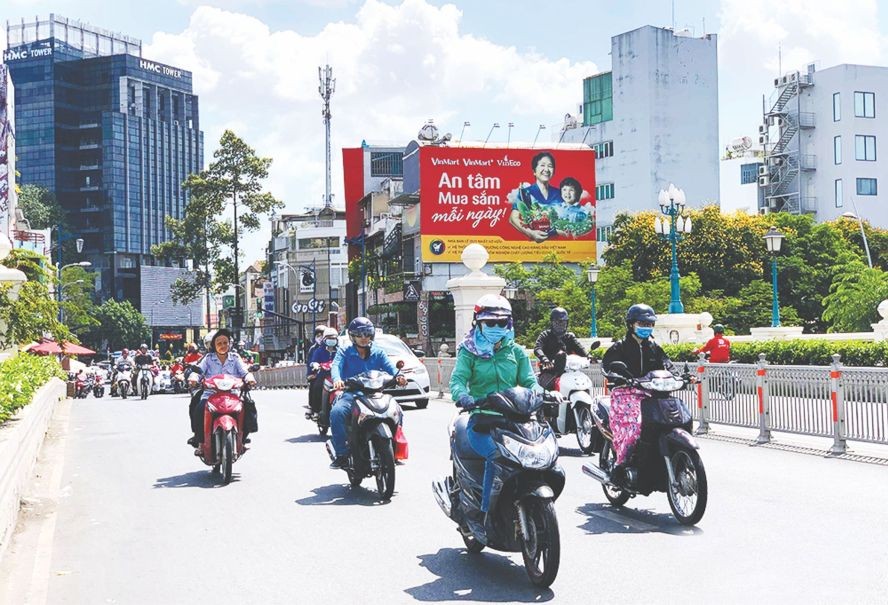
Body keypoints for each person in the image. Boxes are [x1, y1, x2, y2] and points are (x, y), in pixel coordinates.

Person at [449, 294, 542, 542]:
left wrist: (542, 392)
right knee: (497, 455)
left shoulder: (517, 352)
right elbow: (457, 381)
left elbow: (530, 381)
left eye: (502, 323)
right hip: (482, 421)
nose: (496, 328)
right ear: (478, 323)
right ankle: (483, 514)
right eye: (490, 323)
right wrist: (464, 397)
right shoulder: (469, 352)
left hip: (517, 420)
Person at [602, 304, 675, 481]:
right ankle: (620, 465)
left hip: (651, 393)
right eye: (642, 323)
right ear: (631, 324)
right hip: (625, 393)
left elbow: (667, 364)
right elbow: (607, 366)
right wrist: (619, 377)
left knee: (671, 420)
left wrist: (681, 376)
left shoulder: (654, 347)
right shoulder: (619, 347)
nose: (647, 327)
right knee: (634, 427)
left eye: (650, 324)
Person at [328, 318, 406, 469]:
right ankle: (342, 455)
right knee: (336, 413)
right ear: (352, 336)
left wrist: (399, 377)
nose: (363, 338)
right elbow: (336, 366)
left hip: (376, 394)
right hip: (351, 394)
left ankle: (394, 450)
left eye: (367, 334)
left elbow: (390, 368)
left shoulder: (378, 352)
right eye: (359, 334)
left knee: (398, 412)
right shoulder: (344, 351)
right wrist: (337, 380)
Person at [186, 328, 256, 447]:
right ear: (214, 345)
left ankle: (243, 437)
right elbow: (199, 371)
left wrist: (250, 378)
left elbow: (244, 372)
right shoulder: (208, 358)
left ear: (229, 344)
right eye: (219, 343)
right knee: (198, 408)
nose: (222, 346)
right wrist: (193, 378)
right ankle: (199, 439)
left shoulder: (235, 358)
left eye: (225, 343)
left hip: (233, 395)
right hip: (210, 395)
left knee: (249, 408)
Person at [508, 151, 560, 243]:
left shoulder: (559, 193)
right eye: (542, 165)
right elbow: (513, 218)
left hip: (560, 247)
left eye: (550, 166)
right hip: (533, 248)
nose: (546, 169)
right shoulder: (525, 193)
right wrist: (531, 233)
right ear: (534, 172)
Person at [534, 307, 588, 390]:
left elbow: (579, 348)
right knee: (547, 389)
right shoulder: (545, 335)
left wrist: (588, 356)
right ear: (552, 322)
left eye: (563, 322)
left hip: (569, 372)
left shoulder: (570, 337)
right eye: (558, 322)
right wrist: (545, 359)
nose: (561, 325)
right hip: (550, 372)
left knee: (583, 383)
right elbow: (537, 348)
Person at [307, 327, 339, 419]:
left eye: (333, 338)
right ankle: (316, 410)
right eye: (329, 338)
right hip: (323, 375)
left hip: (337, 377)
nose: (331, 340)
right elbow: (313, 361)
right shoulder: (318, 351)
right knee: (317, 387)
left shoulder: (340, 351)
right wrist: (315, 364)